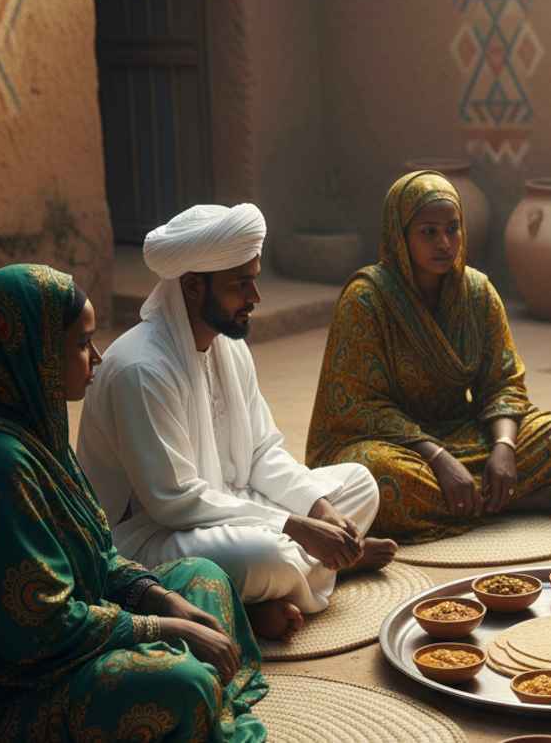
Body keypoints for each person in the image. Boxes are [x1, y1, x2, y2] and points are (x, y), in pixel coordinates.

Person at [0, 264, 267, 740]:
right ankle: (201, 691)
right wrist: (165, 629)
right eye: (83, 344)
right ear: (35, 352)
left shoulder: (37, 431)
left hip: (87, 622)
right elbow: (42, 629)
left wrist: (164, 602)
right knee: (180, 683)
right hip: (17, 685)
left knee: (202, 576)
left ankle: (204, 694)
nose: (98, 357)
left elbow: (100, 554)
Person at [78, 204, 393, 643]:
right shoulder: (141, 368)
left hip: (230, 504)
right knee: (268, 556)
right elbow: (175, 503)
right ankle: (291, 584)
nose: (255, 297)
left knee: (359, 484)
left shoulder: (229, 345)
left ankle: (276, 586)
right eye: (240, 284)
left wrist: (317, 508)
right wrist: (294, 526)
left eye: (254, 279)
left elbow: (262, 452)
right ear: (192, 286)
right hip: (152, 538)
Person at [305, 170, 551, 541]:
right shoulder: (366, 299)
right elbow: (358, 407)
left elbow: (503, 382)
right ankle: (507, 501)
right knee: (379, 477)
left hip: (461, 432)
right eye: (428, 232)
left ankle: (474, 497)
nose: (445, 243)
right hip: (392, 446)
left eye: (453, 229)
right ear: (400, 235)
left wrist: (504, 447)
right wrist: (437, 458)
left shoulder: (477, 292)